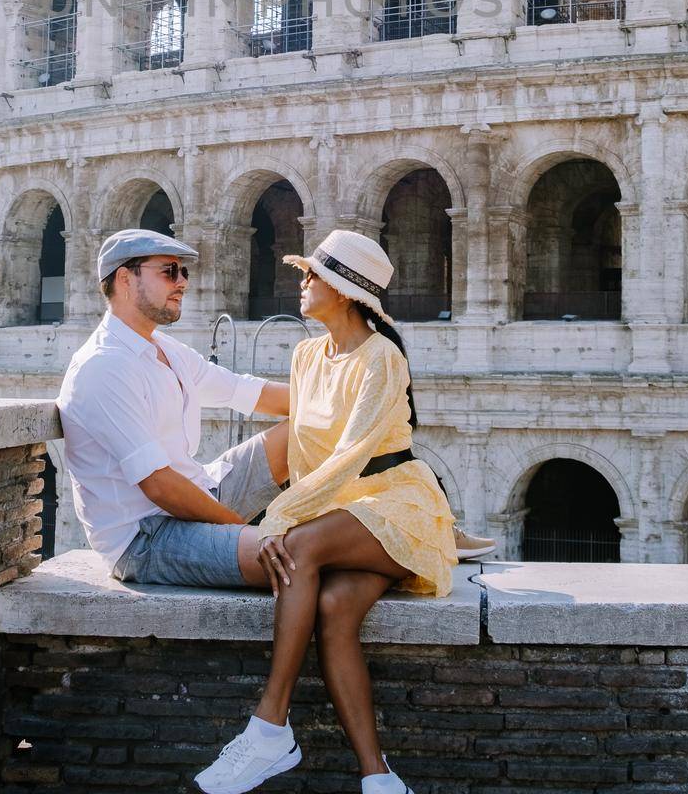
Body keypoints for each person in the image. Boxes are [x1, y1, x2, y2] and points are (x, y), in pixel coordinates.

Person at [194, 231, 461, 794]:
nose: (302, 283)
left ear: (343, 292)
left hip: (395, 505)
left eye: (312, 276)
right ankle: (379, 777)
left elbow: (349, 456)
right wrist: (293, 510)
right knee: (335, 607)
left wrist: (277, 518)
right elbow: (303, 453)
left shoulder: (382, 358)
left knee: (294, 548)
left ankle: (270, 727)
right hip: (345, 515)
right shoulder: (305, 355)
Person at [58, 229, 293, 591]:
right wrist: (245, 531)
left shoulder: (164, 348)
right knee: (295, 560)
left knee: (311, 425)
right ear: (125, 278)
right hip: (147, 537)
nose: (182, 282)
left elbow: (243, 390)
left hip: (200, 491)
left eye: (184, 272)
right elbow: (160, 486)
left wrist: (337, 400)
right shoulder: (102, 366)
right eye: (169, 271)